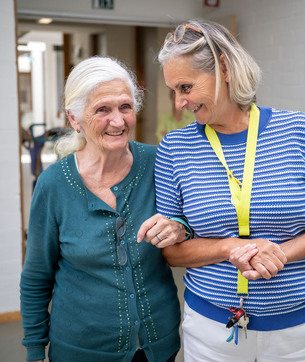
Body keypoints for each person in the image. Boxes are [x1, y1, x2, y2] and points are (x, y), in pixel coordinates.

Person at [155, 19, 305, 362]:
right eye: (173, 91)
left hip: (299, 332)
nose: (179, 102)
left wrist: (281, 253)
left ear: (225, 68)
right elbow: (173, 252)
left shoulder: (300, 131)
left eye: (185, 87)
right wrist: (232, 247)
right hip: (212, 331)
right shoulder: (176, 146)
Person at [20, 56, 191, 362]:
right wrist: (34, 350)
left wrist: (181, 227)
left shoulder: (159, 163)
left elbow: (193, 220)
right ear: (75, 119)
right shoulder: (53, 185)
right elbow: (36, 277)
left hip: (157, 346)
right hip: (81, 350)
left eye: (125, 107)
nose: (118, 120)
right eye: (102, 110)